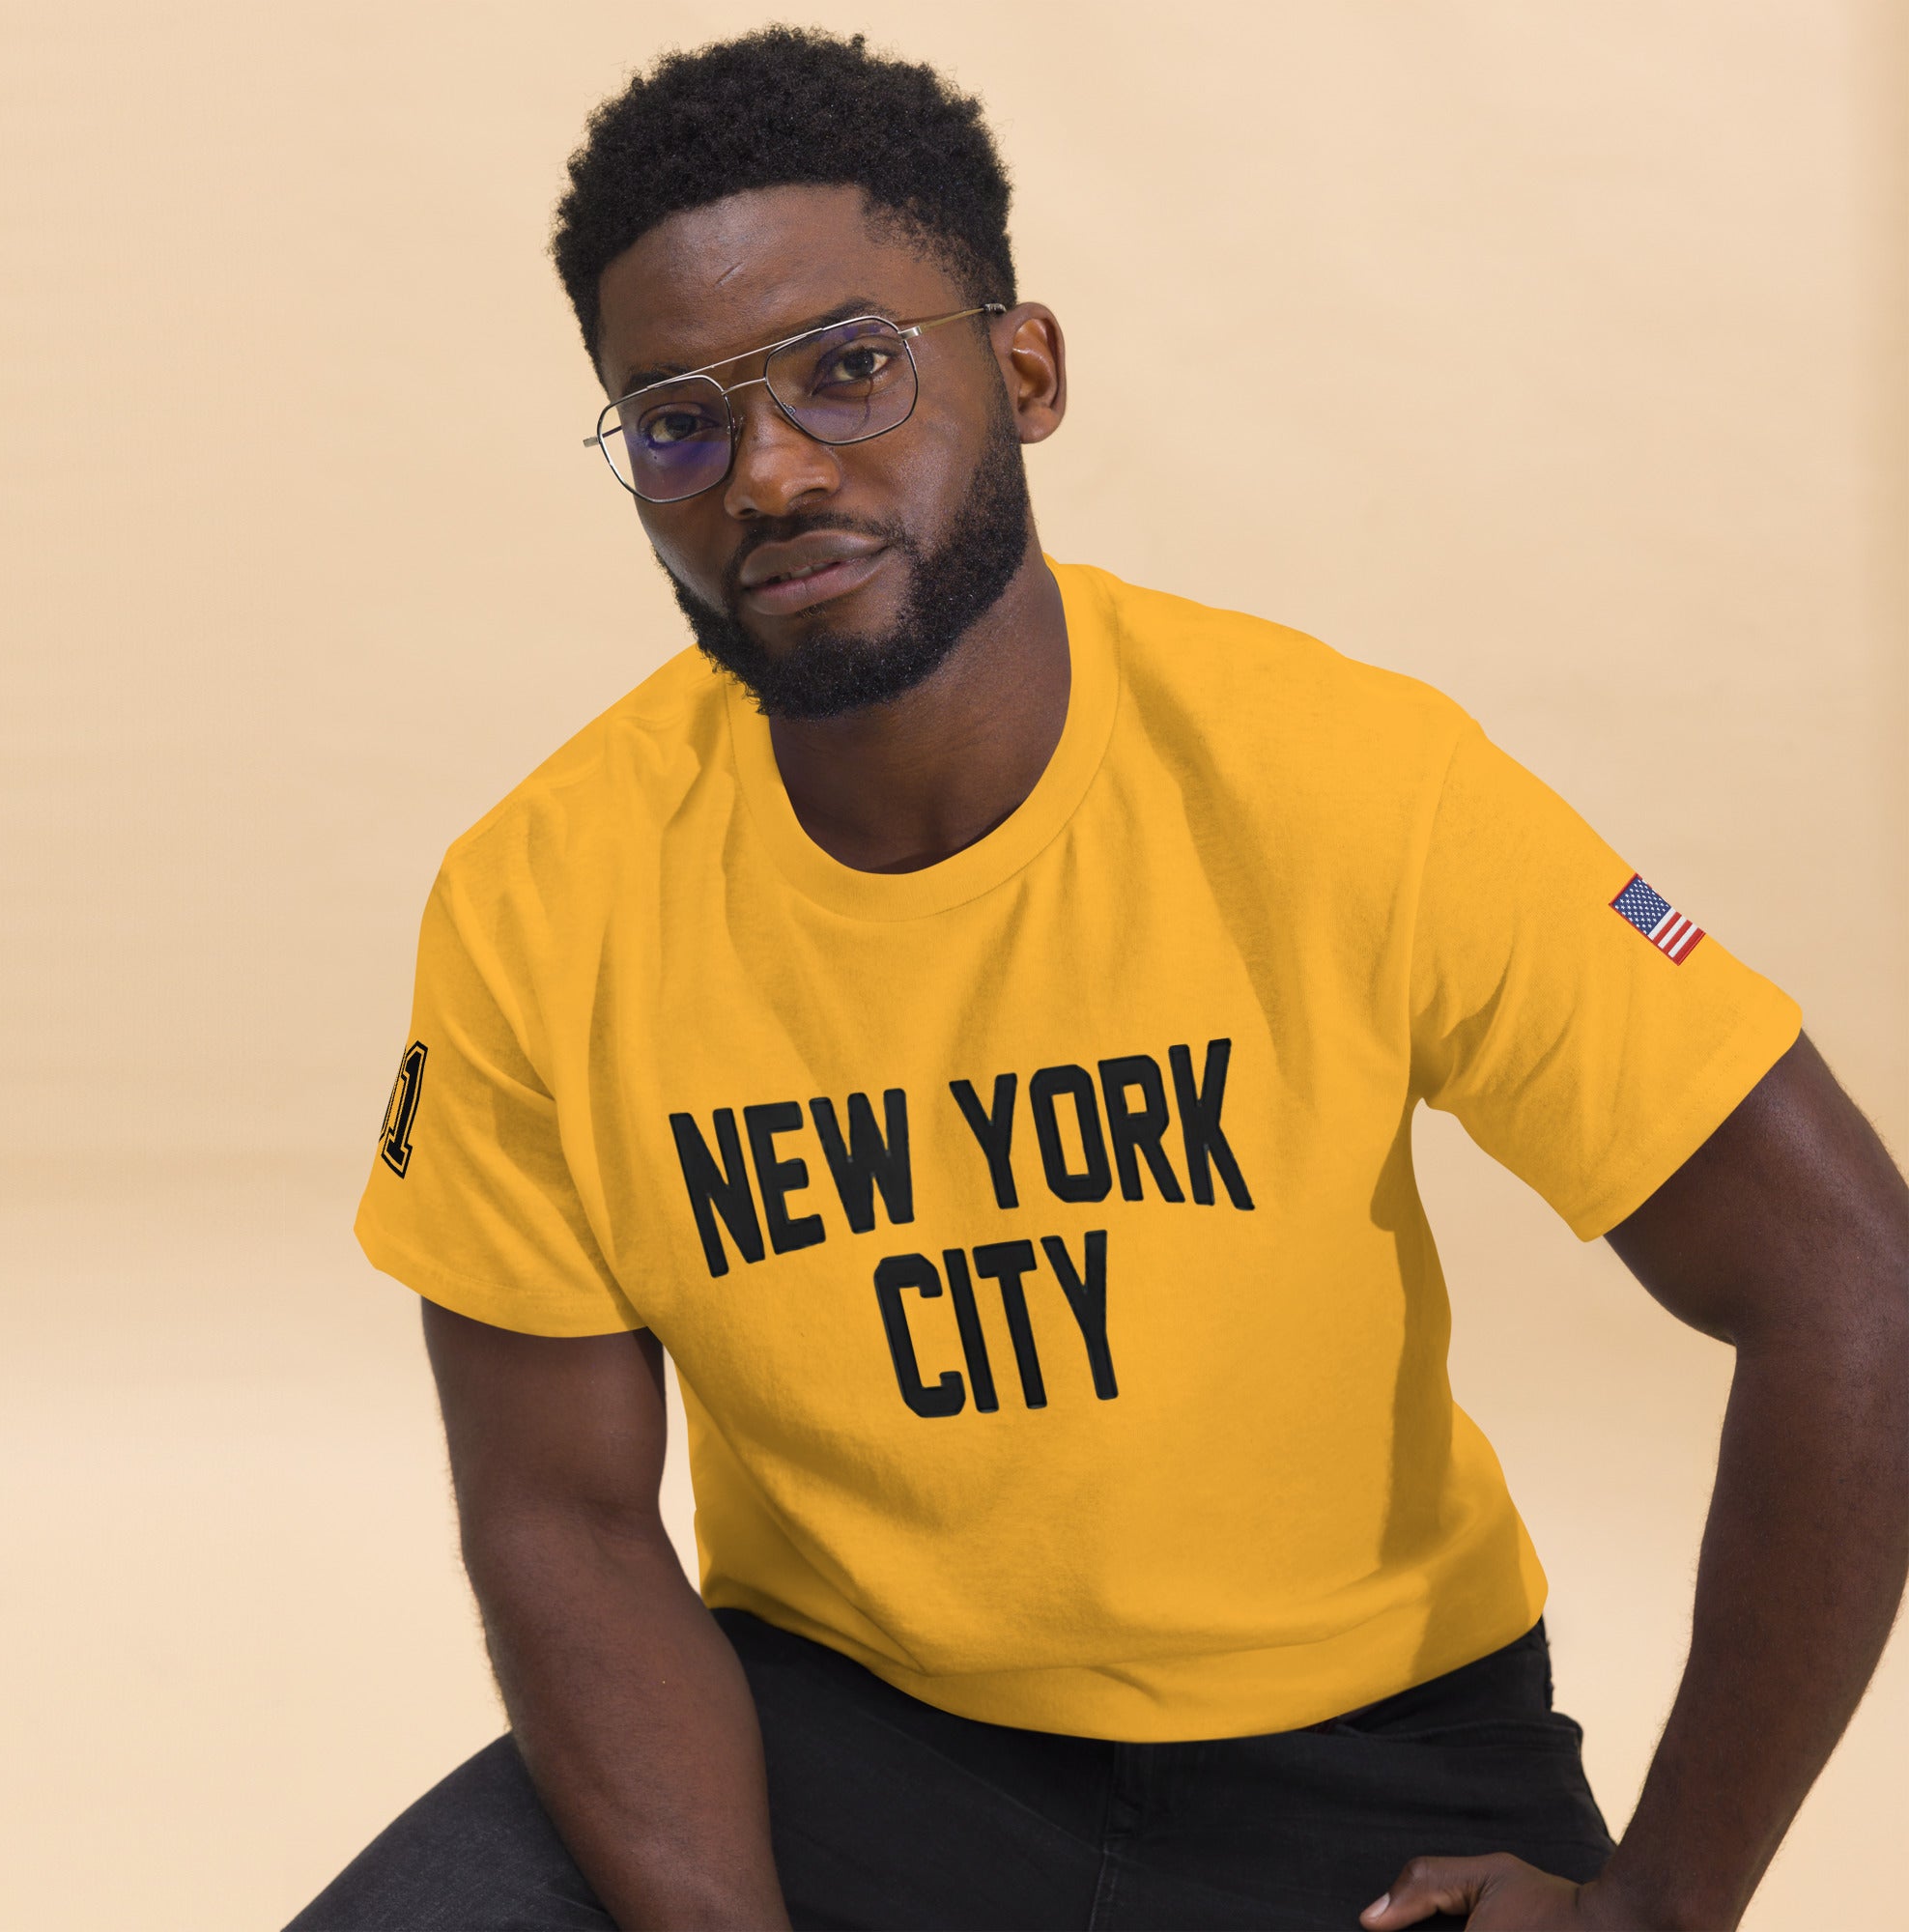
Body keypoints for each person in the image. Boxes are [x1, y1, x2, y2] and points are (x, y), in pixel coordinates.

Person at [289, 27, 1909, 1932]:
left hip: (1358, 1765)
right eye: (677, 422)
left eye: (848, 368)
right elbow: (558, 1510)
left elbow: (1849, 1280)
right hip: (840, 1736)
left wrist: (1661, 1905)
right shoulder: (539, 894)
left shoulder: (1342, 780)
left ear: (1025, 370)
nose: (771, 472)